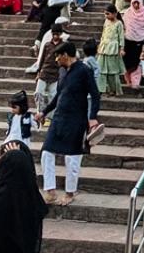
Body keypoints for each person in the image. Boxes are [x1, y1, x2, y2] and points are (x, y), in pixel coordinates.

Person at [35, 42, 101, 206]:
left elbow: (95, 94)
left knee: (72, 158)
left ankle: (70, 192)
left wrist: (92, 117)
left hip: (76, 120)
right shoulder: (63, 71)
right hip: (59, 118)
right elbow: (59, 95)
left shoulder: (84, 71)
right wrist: (44, 111)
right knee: (46, 152)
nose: (56, 59)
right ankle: (50, 190)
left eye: (58, 55)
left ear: (65, 55)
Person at [122, 0, 144, 82]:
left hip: (141, 42)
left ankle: (136, 80)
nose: (136, 5)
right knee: (127, 63)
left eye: (137, 3)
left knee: (137, 62)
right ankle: (128, 79)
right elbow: (124, 26)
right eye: (134, 3)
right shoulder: (128, 13)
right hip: (128, 41)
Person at [96, 5, 126, 96]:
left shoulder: (119, 23)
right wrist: (100, 46)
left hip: (113, 49)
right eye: (105, 14)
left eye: (108, 14)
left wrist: (121, 48)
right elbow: (103, 34)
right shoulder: (106, 22)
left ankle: (114, 90)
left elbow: (121, 37)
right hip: (104, 48)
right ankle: (101, 89)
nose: (106, 16)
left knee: (113, 71)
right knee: (101, 69)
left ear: (114, 13)